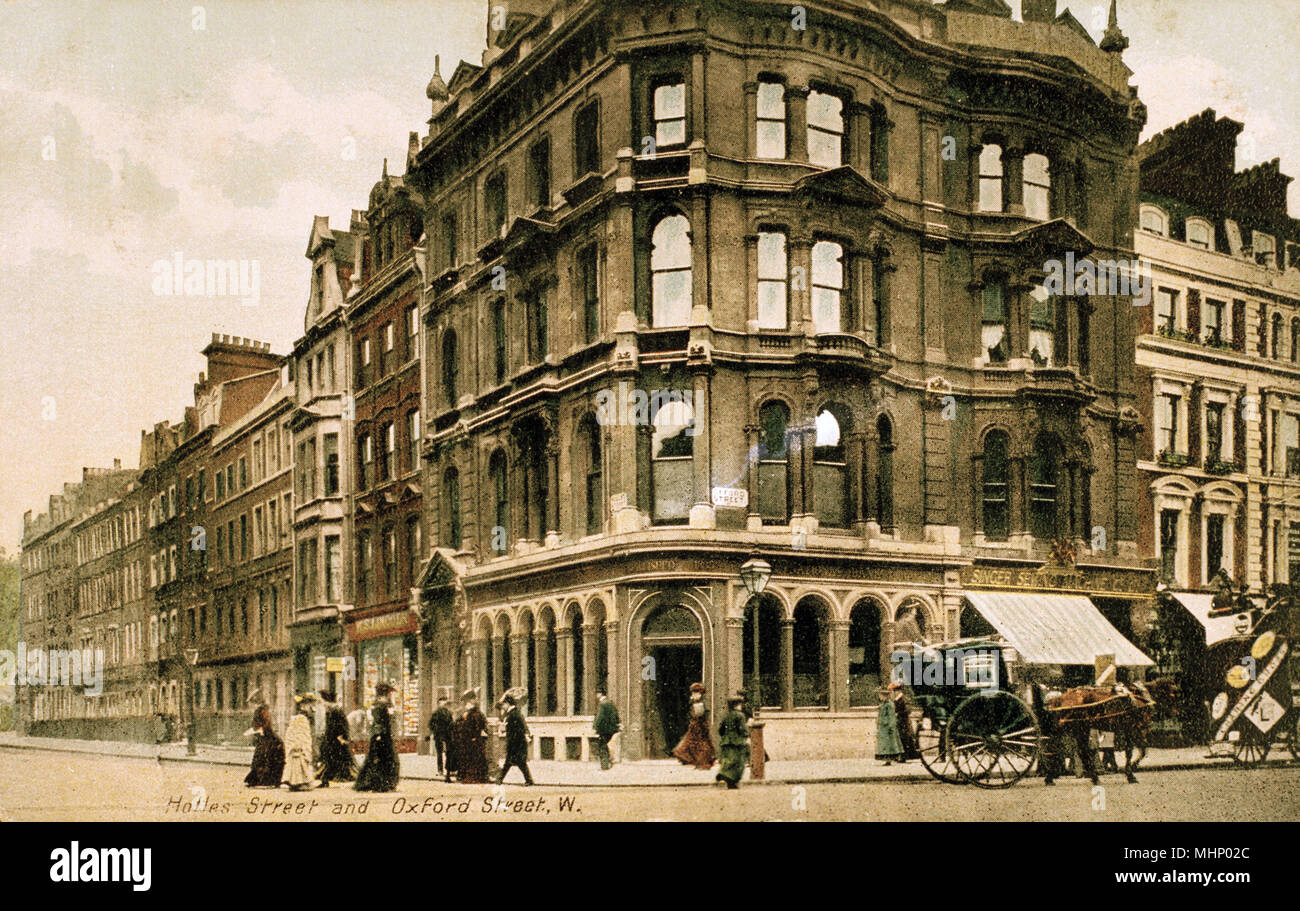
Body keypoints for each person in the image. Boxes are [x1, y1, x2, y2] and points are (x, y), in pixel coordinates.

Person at [355, 683, 400, 792]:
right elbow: (380, 722)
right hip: (382, 737)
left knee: (376, 760)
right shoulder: (382, 705)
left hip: (381, 736)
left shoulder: (379, 704)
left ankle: (375, 782)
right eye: (389, 693)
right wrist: (379, 735)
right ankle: (381, 783)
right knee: (383, 761)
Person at [672, 682, 716, 769]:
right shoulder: (696, 702)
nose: (694, 695)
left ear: (700, 693)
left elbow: (700, 714)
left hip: (700, 727)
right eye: (693, 693)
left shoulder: (701, 703)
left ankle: (702, 761)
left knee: (701, 745)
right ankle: (697, 760)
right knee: (693, 744)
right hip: (695, 727)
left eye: (696, 693)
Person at [316, 690, 355, 786]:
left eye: (321, 700)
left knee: (334, 760)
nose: (320, 702)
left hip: (336, 741)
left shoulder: (335, 710)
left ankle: (326, 780)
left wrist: (341, 737)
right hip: (330, 740)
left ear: (326, 700)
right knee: (329, 760)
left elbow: (342, 725)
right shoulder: (330, 710)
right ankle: (325, 780)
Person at [452, 690, 490, 783]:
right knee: (470, 759)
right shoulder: (467, 712)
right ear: (469, 700)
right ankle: (471, 777)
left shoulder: (472, 712)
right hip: (469, 740)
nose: (475, 700)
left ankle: (472, 777)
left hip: (472, 740)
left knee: (472, 759)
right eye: (473, 698)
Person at [244, 704, 285, 787]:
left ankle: (266, 778)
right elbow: (261, 726)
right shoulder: (261, 713)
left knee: (266, 757)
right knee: (264, 757)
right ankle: (264, 778)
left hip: (267, 738)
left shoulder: (262, 712)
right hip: (265, 738)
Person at [496, 695, 534, 786]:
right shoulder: (514, 713)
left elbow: (517, 729)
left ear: (508, 704)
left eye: (504, 704)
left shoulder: (513, 714)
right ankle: (528, 780)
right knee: (516, 763)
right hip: (516, 743)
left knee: (512, 763)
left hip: (516, 743)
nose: (503, 706)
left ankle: (499, 780)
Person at [284, 693, 318, 791]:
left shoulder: (304, 717)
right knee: (299, 763)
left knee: (302, 765)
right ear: (302, 706)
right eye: (309, 705)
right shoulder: (300, 718)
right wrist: (299, 746)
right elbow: (299, 734)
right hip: (299, 746)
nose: (311, 708)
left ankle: (299, 782)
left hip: (303, 744)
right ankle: (298, 783)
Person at [716, 695, 750, 789]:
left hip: (726, 742)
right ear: (737, 705)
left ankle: (724, 775)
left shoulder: (727, 715)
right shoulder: (740, 716)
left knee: (728, 760)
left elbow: (721, 730)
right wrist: (747, 735)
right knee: (739, 762)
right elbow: (742, 729)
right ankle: (731, 780)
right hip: (737, 742)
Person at [592, 691, 621, 771]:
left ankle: (604, 766)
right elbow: (616, 715)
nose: (596, 695)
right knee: (606, 746)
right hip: (611, 730)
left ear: (600, 694)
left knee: (602, 747)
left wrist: (595, 728)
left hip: (603, 730)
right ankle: (609, 762)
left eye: (597, 693)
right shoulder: (610, 703)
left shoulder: (602, 704)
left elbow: (599, 717)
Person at [875, 686, 904, 765]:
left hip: (887, 727)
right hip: (883, 727)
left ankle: (890, 759)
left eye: (881, 696)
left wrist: (891, 726)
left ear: (885, 696)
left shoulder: (889, 704)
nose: (880, 698)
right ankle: (888, 759)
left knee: (889, 744)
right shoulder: (883, 704)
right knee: (885, 744)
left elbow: (891, 716)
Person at [892, 684, 921, 761]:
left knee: (904, 738)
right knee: (903, 738)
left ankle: (904, 756)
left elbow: (908, 710)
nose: (895, 692)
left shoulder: (902, 698)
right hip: (902, 720)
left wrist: (899, 713)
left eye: (895, 690)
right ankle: (904, 755)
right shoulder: (899, 698)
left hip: (903, 720)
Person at [428, 696, 454, 778]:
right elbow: (431, 723)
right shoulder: (436, 713)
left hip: (446, 735)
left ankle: (447, 769)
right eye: (442, 701)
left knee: (447, 753)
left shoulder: (448, 712)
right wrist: (434, 731)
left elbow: (451, 723)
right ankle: (440, 770)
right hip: (439, 735)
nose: (444, 703)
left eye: (445, 701)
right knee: (439, 753)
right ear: (439, 703)